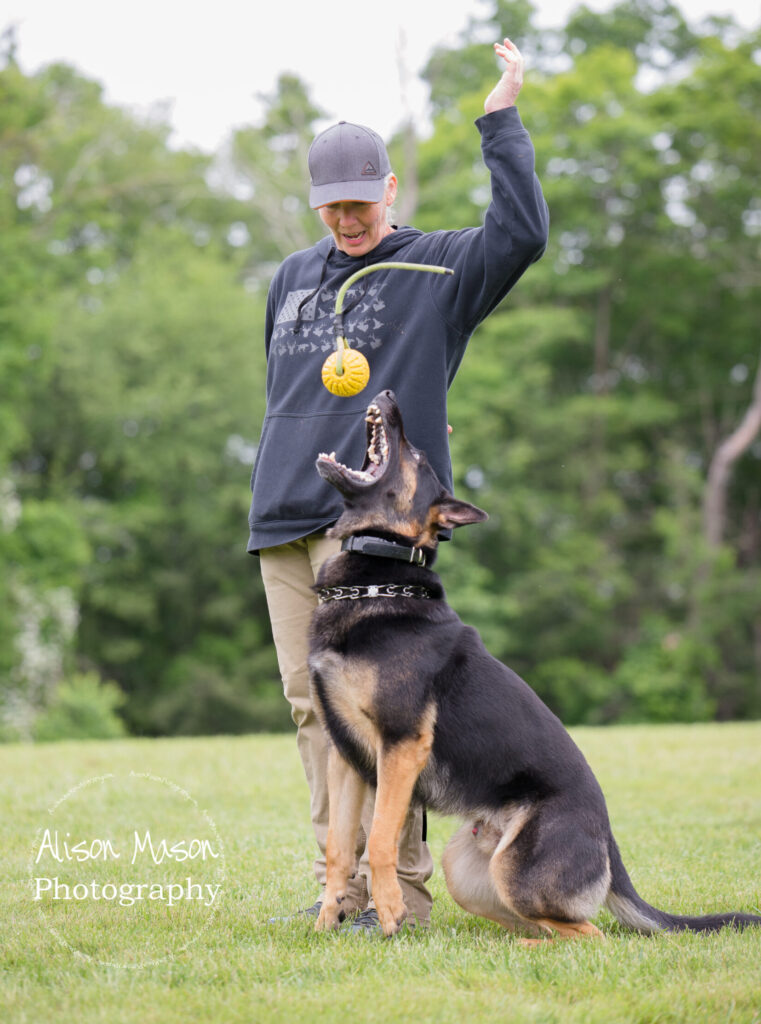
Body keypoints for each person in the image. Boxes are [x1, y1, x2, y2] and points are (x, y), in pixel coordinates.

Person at [249, 37, 549, 933]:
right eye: (329, 207)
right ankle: (333, 885)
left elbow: (523, 233)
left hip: (375, 531)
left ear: (386, 190)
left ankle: (404, 890)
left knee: (388, 713)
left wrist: (500, 120)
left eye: (357, 203)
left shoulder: (440, 268)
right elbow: (282, 386)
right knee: (313, 708)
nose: (344, 221)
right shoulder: (294, 278)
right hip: (283, 517)